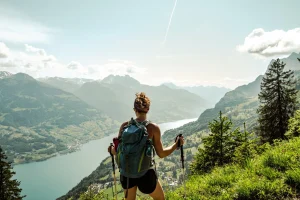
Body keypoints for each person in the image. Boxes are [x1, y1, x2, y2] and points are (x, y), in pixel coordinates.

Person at [108, 92, 184, 200]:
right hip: (145, 173)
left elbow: (117, 150)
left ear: (134, 109)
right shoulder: (153, 128)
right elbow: (161, 154)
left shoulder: (124, 126)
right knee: (160, 199)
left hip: (127, 173)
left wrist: (111, 150)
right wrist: (176, 144)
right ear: (148, 109)